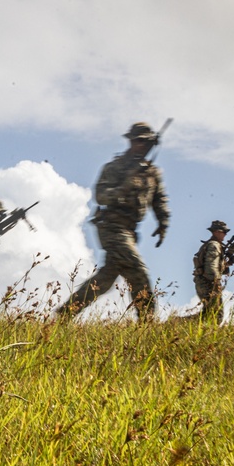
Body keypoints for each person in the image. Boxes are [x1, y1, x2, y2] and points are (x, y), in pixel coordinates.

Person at [55, 122, 170, 322]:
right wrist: (122, 189)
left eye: (145, 142)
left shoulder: (151, 173)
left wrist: (163, 222)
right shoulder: (115, 167)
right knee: (138, 270)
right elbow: (100, 196)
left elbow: (159, 199)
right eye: (137, 141)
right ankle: (148, 322)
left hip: (131, 230)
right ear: (131, 141)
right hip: (111, 227)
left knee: (106, 279)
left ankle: (66, 313)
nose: (141, 145)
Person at [192, 220, 230, 324]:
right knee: (217, 315)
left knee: (209, 313)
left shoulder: (211, 245)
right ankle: (177, 322)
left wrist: (226, 264)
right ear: (217, 232)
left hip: (203, 281)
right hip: (208, 282)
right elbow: (211, 267)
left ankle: (177, 322)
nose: (225, 234)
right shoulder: (214, 245)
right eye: (224, 232)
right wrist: (215, 283)